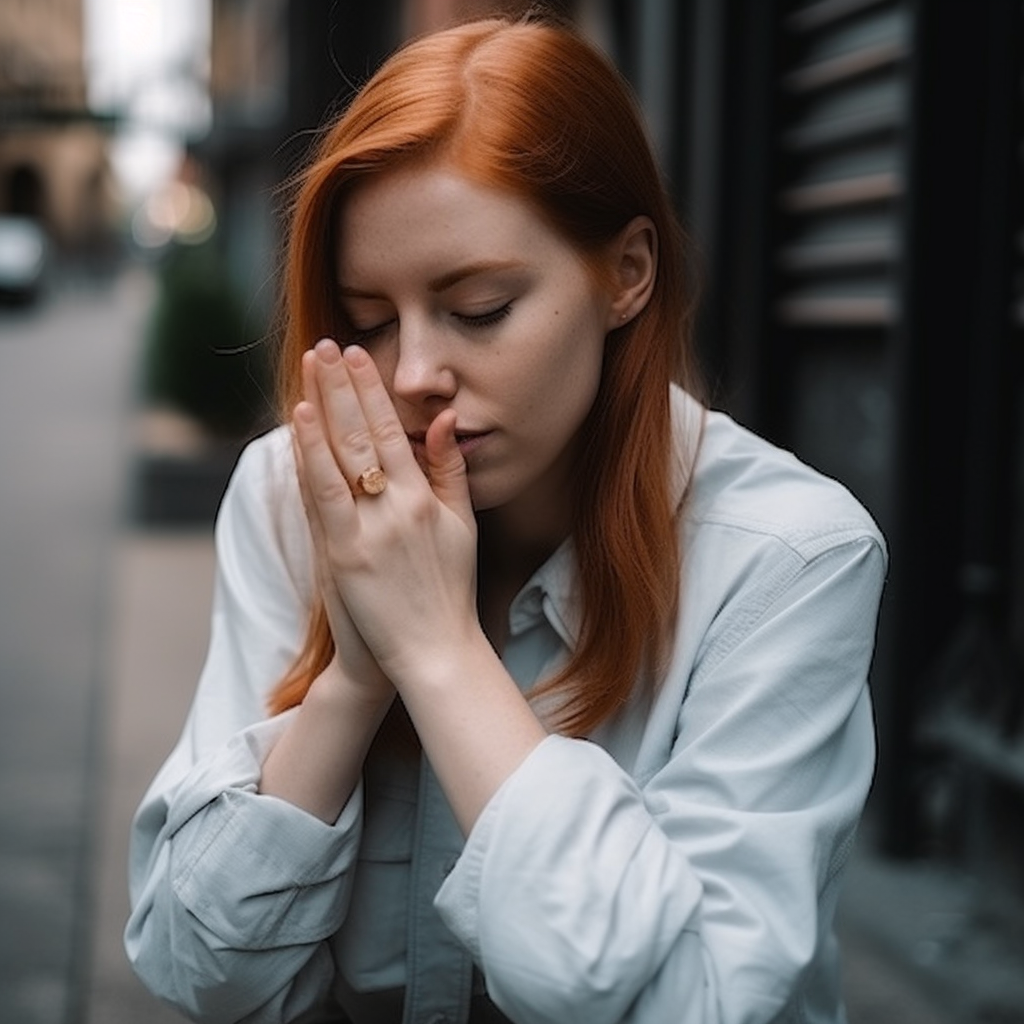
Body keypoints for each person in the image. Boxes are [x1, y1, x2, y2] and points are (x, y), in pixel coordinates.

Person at [125, 13, 887, 1024]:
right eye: (368, 320)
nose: (413, 376)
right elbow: (198, 970)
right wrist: (353, 678)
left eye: (479, 308)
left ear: (626, 275)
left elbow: (693, 1002)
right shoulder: (290, 495)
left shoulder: (786, 559)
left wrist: (436, 648)